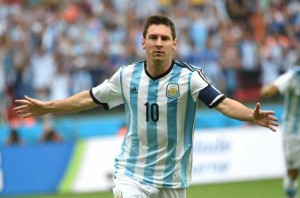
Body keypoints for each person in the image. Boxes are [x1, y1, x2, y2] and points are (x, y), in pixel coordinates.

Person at [14, 15, 278, 198]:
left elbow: (222, 103)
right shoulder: (126, 76)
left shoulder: (189, 77)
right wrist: (48, 106)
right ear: (143, 42)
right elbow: (88, 98)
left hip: (172, 177)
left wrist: (250, 116)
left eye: (165, 38)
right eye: (153, 37)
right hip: (132, 172)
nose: (159, 43)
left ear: (174, 43)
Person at [261, 58, 300, 198]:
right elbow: (274, 86)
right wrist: (269, 90)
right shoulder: (295, 75)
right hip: (294, 133)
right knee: (293, 173)